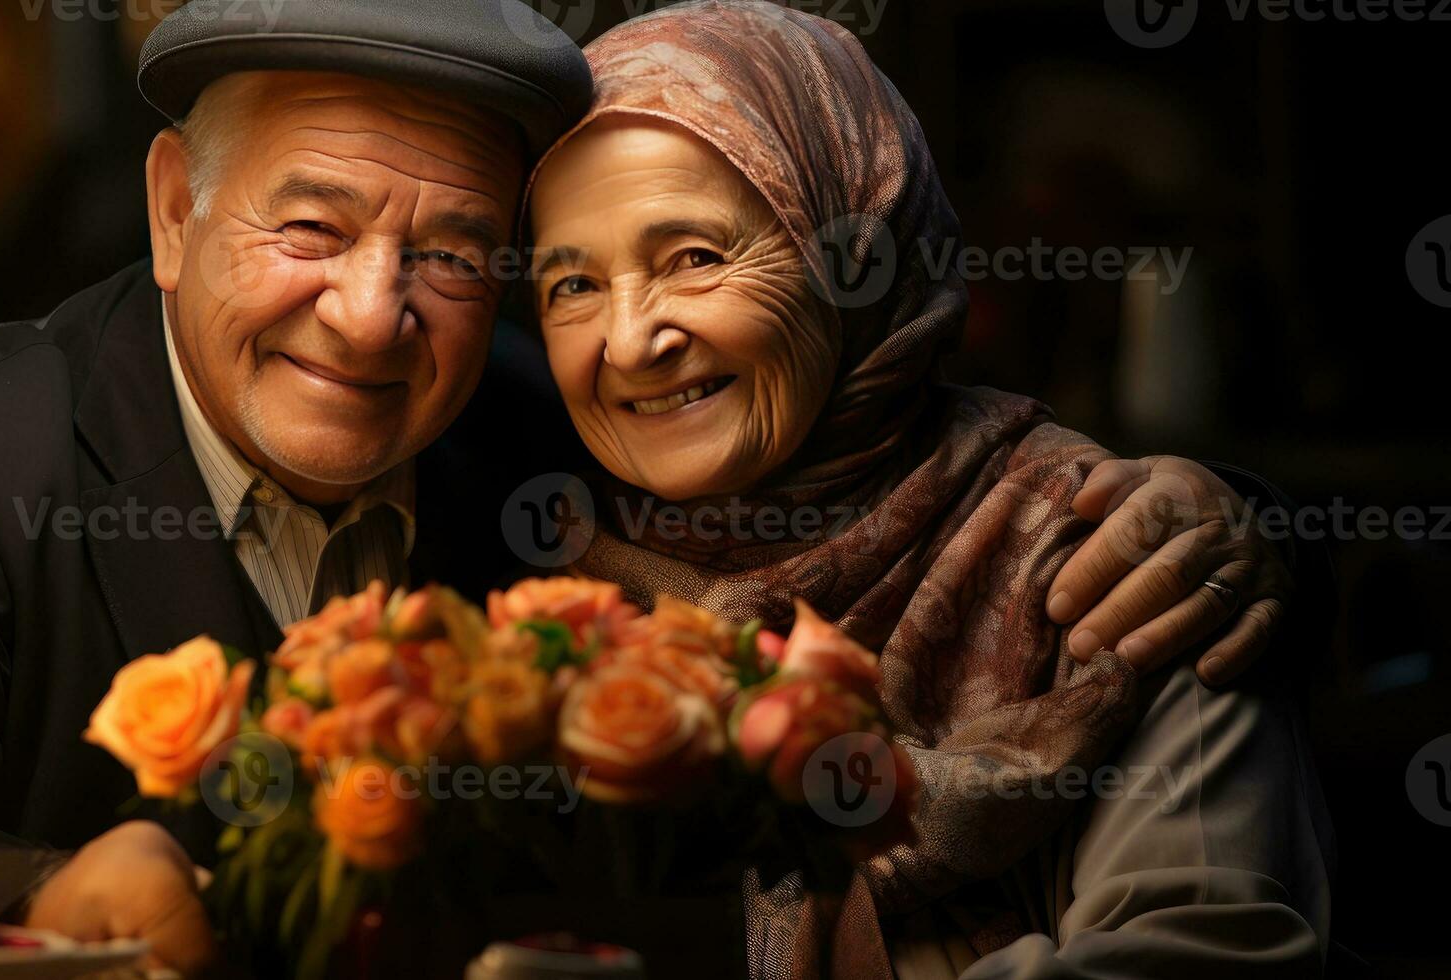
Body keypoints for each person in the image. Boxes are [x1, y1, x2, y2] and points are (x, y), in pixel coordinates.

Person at [0, 0, 1295, 973]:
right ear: (168, 212)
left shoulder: (555, 450)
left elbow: (875, 454)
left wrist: (1222, 511)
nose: (372, 311)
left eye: (454, 253)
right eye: (310, 227)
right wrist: (70, 883)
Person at [522, 2, 1327, 976]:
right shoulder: (534, 576)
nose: (628, 339)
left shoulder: (1107, 557)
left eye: (693, 257)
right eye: (571, 284)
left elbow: (1203, 955)